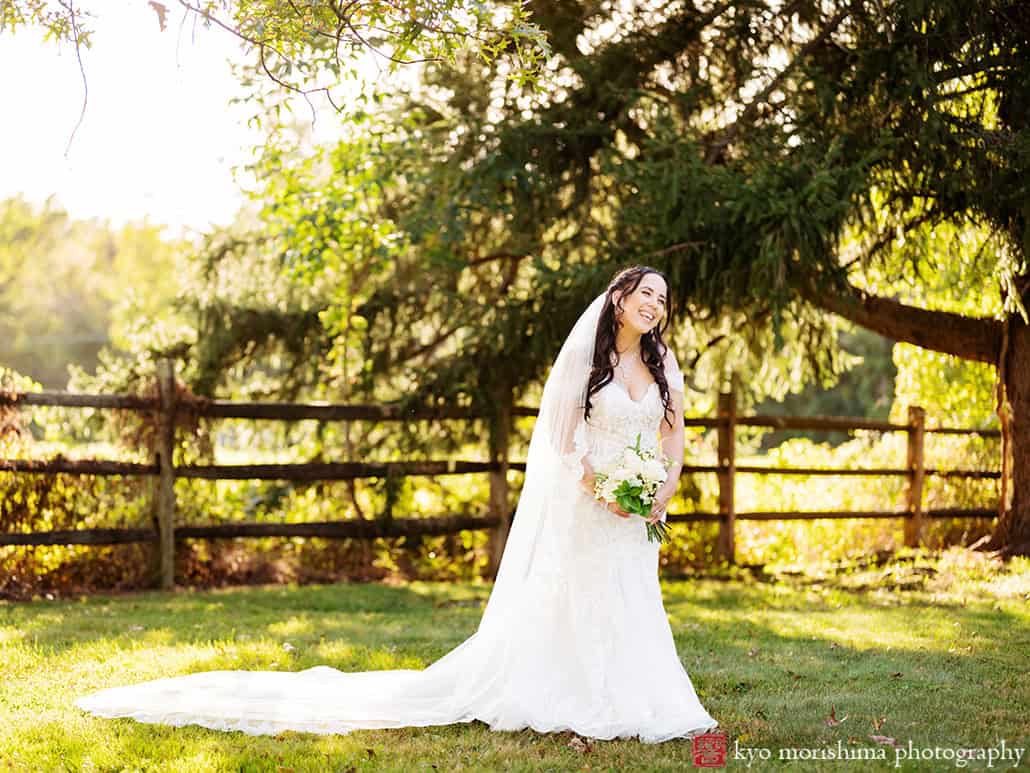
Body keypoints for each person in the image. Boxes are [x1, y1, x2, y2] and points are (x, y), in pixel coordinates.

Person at [75, 265, 720, 744]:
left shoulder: (665, 365)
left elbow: (673, 438)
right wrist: (602, 490)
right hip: (590, 504)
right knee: (578, 602)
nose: (655, 307)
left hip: (636, 512)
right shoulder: (588, 360)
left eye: (662, 300)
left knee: (631, 601)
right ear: (619, 300)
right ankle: (575, 692)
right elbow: (560, 444)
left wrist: (654, 495)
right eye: (645, 295)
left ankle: (637, 694)